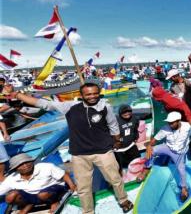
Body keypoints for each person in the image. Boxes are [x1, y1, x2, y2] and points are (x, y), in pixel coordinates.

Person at [11, 83, 133, 214]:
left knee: (114, 179)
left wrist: (117, 141)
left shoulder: (105, 107)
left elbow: (113, 126)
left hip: (103, 151)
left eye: (95, 93)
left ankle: (123, 200)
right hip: (79, 154)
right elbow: (43, 104)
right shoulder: (70, 106)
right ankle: (88, 211)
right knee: (83, 186)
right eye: (88, 94)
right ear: (82, 95)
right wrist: (17, 95)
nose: (93, 96)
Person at [137, 112, 191, 201]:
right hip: (167, 147)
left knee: (181, 170)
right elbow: (154, 140)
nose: (169, 124)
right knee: (152, 151)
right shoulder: (165, 128)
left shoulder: (187, 126)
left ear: (178, 121)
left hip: (179, 152)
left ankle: (184, 188)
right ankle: (147, 168)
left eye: (172, 122)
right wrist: (149, 146)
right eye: (168, 122)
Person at [0, 153, 76, 213]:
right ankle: (28, 205)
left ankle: (55, 202)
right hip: (33, 196)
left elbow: (64, 175)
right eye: (20, 165)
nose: (25, 165)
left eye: (27, 162)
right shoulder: (12, 178)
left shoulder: (45, 167)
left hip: (54, 190)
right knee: (10, 196)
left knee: (43, 195)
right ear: (15, 168)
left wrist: (72, 186)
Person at [114, 105, 140, 173]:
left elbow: (135, 128)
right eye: (124, 112)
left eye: (129, 111)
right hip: (118, 148)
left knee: (137, 159)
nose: (127, 113)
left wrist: (136, 136)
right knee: (118, 166)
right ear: (120, 113)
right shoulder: (114, 120)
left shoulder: (134, 118)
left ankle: (137, 170)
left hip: (131, 144)